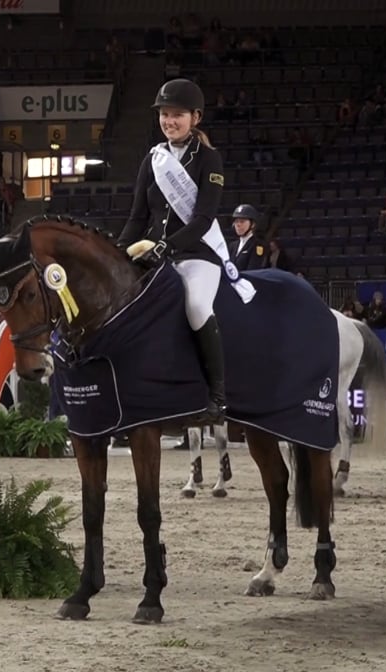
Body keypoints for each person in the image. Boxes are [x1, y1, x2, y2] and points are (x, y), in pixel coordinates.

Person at [119, 78, 251, 424]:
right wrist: (117, 252)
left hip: (197, 253)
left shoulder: (209, 159)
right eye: (164, 114)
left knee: (195, 307)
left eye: (177, 114)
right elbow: (137, 216)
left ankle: (218, 398)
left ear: (196, 117)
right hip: (155, 253)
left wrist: (168, 245)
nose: (169, 121)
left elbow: (204, 218)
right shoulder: (153, 159)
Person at [228, 204, 267, 271]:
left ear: (253, 224)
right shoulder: (232, 246)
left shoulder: (257, 245)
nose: (238, 225)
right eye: (236, 221)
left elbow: (253, 270)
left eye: (242, 221)